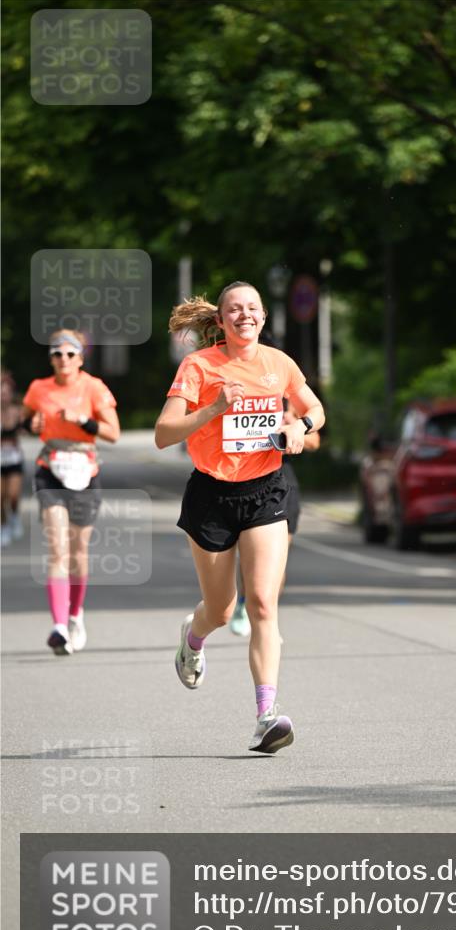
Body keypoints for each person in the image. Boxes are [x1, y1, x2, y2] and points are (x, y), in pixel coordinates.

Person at [155, 281, 325, 754]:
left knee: (263, 605)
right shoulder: (199, 366)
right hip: (211, 495)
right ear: (222, 321)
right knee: (221, 609)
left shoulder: (278, 364)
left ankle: (265, 716)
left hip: (266, 491)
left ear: (263, 317)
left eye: (252, 308)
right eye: (235, 309)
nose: (244, 315)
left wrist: (299, 425)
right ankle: (193, 637)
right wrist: (214, 407)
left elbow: (315, 409)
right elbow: (164, 434)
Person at [21, 330, 120, 654]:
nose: (63, 359)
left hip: (85, 471)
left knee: (78, 554)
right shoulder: (39, 388)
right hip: (50, 469)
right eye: (57, 354)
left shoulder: (93, 387)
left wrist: (83, 421)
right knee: (57, 550)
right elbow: (26, 422)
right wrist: (32, 426)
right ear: (50, 359)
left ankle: (76, 615)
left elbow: (113, 433)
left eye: (69, 354)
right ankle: (59, 626)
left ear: (80, 358)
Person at [229, 397, 321, 637]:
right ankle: (243, 602)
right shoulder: (249, 399)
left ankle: (268, 616)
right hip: (249, 481)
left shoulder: (291, 402)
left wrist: (293, 429)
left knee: (276, 558)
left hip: (285, 483)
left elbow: (314, 441)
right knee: (248, 555)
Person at [1, 371, 25, 547]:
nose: (3, 395)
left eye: (6, 391)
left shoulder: (17, 412)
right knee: (0, 497)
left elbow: (28, 427)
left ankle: (15, 516)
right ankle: (4, 526)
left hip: (14, 460)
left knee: (13, 495)